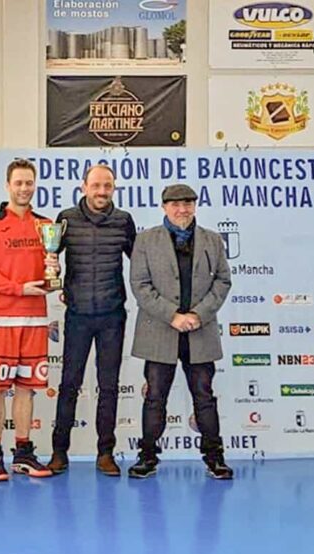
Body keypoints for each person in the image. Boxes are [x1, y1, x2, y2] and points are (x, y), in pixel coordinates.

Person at [128, 184, 234, 480]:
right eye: (175, 204)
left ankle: (215, 457)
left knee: (204, 396)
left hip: (200, 331)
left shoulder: (213, 240)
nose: (182, 209)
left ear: (195, 206)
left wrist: (199, 315)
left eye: (187, 203)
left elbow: (223, 281)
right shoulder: (145, 240)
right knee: (155, 397)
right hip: (160, 330)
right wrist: (172, 316)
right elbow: (140, 285)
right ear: (164, 207)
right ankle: (147, 456)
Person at [48, 164, 136, 476]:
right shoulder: (66, 218)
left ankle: (106, 453)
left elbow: (140, 262)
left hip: (112, 315)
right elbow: (48, 255)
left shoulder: (124, 220)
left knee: (109, 386)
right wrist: (52, 270)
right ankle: (59, 452)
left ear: (114, 188)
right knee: (68, 384)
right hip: (78, 315)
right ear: (83, 187)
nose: (101, 191)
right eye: (96, 185)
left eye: (107, 186)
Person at [0, 158, 57, 481]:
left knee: (26, 389)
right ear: (7, 185)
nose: (24, 188)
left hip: (35, 319)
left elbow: (48, 272)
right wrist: (18, 289)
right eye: (18, 182)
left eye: (29, 183)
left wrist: (53, 274)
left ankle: (23, 452)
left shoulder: (45, 224)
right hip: (1, 319)